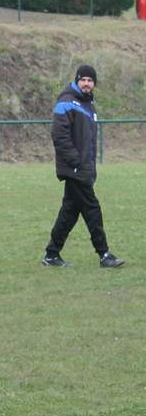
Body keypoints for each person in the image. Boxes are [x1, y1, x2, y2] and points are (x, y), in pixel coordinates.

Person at [42, 65, 124, 269]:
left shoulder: (88, 104)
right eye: (83, 79)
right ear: (77, 81)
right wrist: (75, 161)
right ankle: (104, 254)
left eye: (90, 80)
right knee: (92, 209)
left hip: (83, 169)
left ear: (94, 83)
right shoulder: (67, 101)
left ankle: (51, 254)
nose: (87, 83)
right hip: (75, 169)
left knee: (69, 212)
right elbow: (59, 135)